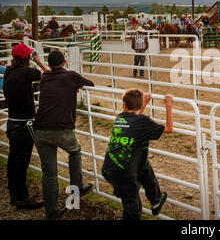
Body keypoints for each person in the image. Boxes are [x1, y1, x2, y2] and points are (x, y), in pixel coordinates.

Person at [33, 50, 95, 219]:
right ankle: (77, 186)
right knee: (74, 152)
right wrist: (74, 86)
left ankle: (51, 212)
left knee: (49, 174)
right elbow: (90, 83)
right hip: (61, 129)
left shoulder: (45, 78)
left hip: (41, 130)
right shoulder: (71, 77)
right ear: (65, 62)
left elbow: (48, 73)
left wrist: (39, 63)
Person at [101, 89, 173, 220]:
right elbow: (168, 129)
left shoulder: (120, 118)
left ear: (123, 105)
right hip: (125, 175)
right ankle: (150, 204)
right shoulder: (142, 121)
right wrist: (168, 104)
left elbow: (136, 122)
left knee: (143, 165)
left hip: (110, 168)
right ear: (139, 106)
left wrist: (144, 103)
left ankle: (156, 200)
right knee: (133, 209)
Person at [3, 44, 49, 209]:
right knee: (21, 162)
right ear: (27, 58)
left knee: (14, 160)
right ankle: (22, 198)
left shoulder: (9, 72)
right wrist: (39, 61)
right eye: (29, 56)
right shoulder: (26, 72)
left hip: (12, 122)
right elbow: (49, 75)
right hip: (24, 124)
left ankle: (14, 194)